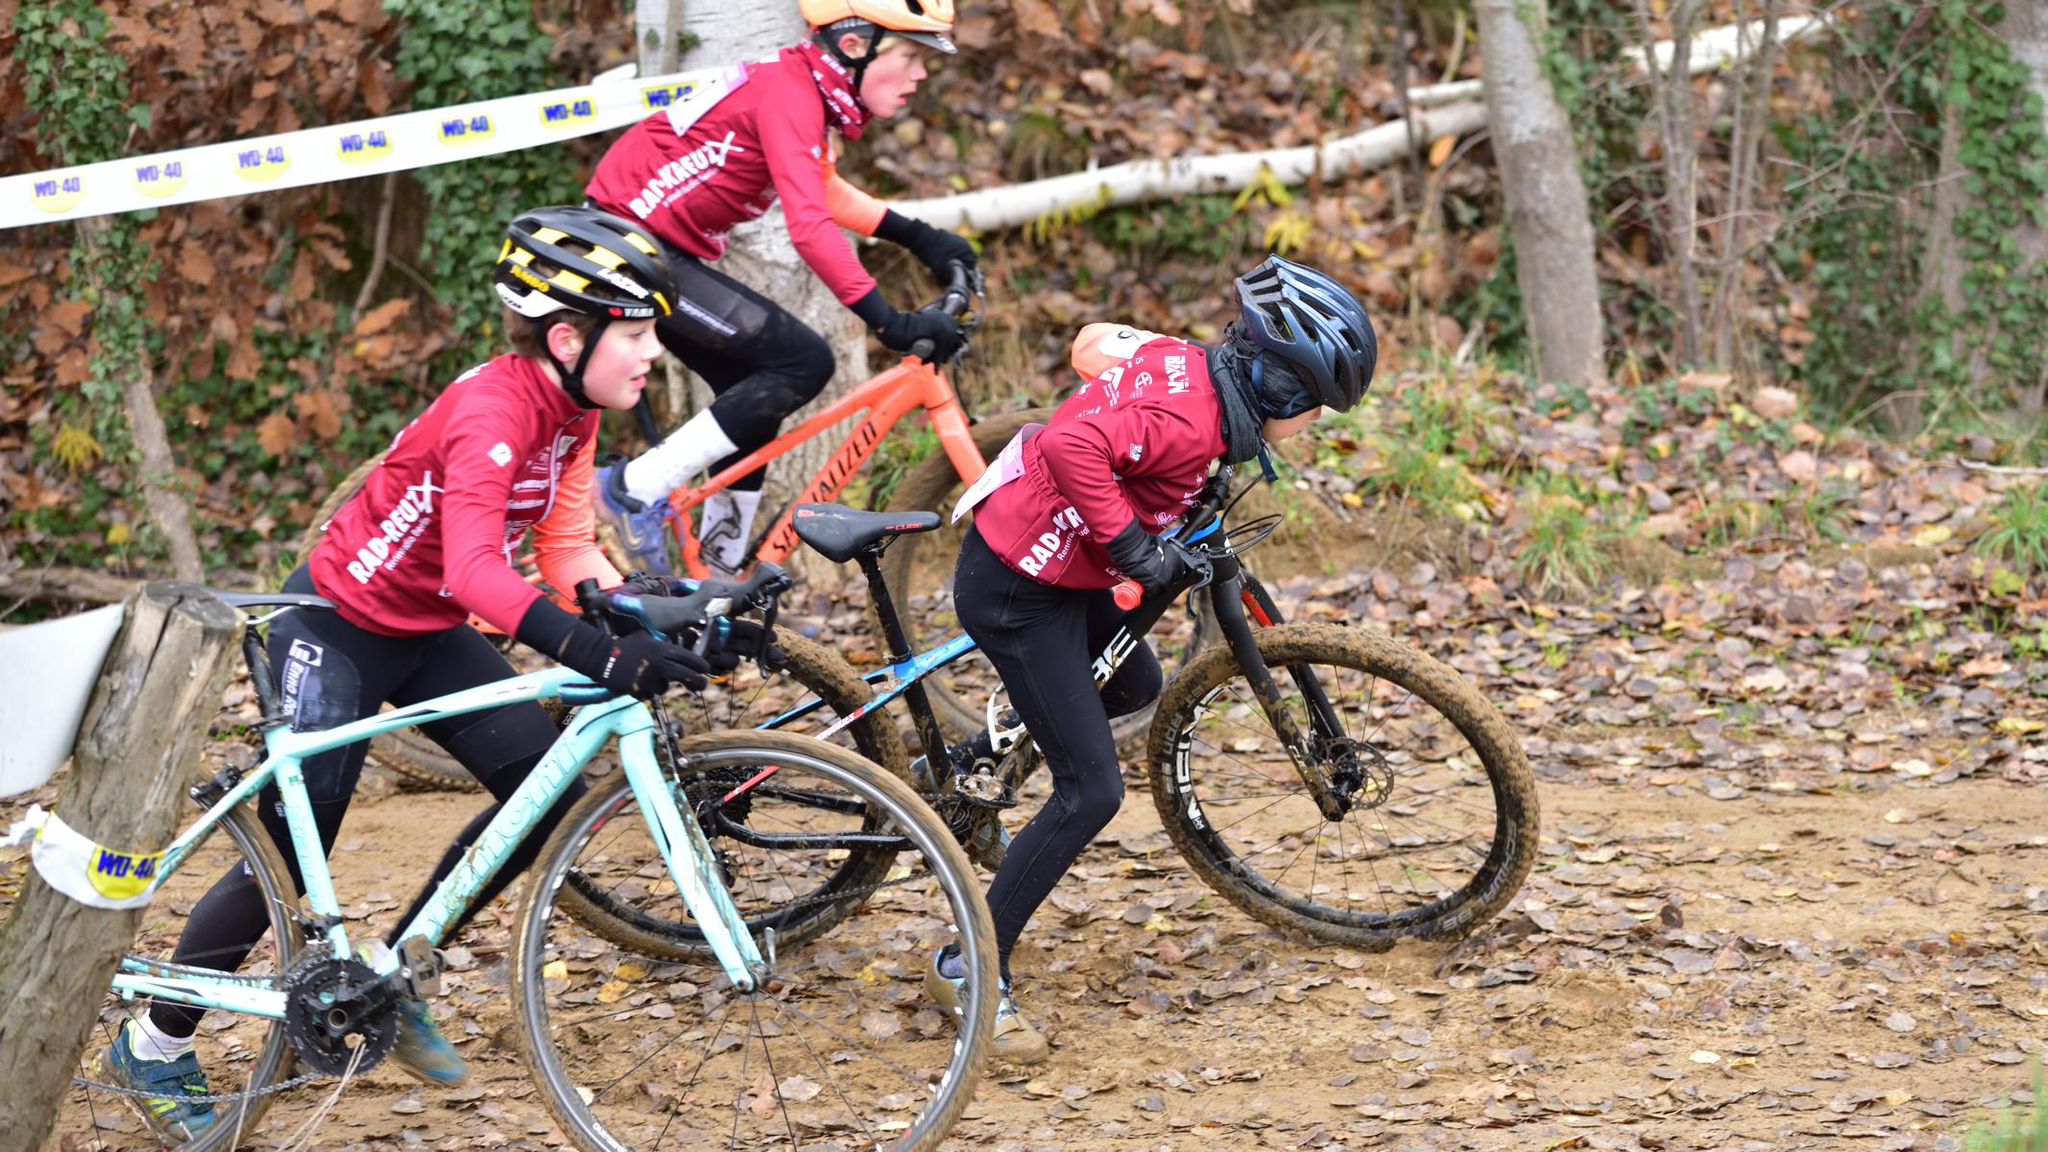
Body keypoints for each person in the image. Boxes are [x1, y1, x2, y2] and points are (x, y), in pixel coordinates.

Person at [98, 206, 726, 1142]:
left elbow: (560, 546)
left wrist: (650, 610)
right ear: (568, 336)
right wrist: (598, 652)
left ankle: (388, 976)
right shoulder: (496, 413)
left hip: (425, 626)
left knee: (540, 788)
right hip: (337, 623)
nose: (650, 354)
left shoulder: (574, 411)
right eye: (635, 335)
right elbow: (478, 570)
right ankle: (155, 1039)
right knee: (286, 839)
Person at [924, 256, 1380, 1064]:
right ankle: (967, 969)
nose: (1316, 422)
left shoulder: (1198, 367)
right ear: (1277, 389)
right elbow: (1071, 441)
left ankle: (975, 776)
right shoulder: (1189, 420)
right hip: (1017, 589)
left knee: (1133, 677)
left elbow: (1099, 345)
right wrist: (1137, 548)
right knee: (1092, 791)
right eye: (1314, 406)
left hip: (1063, 567)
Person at [585, 0, 976, 579]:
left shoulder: (797, 87)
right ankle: (628, 490)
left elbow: (823, 190)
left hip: (643, 244)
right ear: (853, 46)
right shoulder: (790, 93)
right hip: (627, 246)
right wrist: (889, 321)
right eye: (911, 56)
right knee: (801, 361)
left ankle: (716, 583)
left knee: (754, 395)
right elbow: (811, 227)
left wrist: (920, 237)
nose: (921, 74)